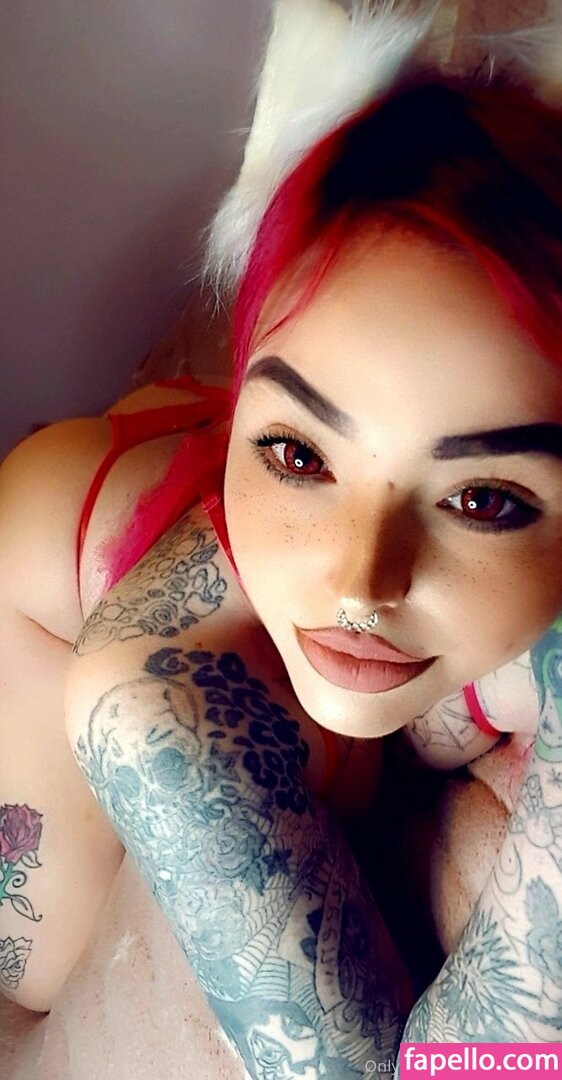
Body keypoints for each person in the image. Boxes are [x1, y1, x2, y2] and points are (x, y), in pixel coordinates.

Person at [1, 1, 561, 1074]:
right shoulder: (92, 593)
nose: (360, 579)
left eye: (483, 499)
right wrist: (144, 701)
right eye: (298, 452)